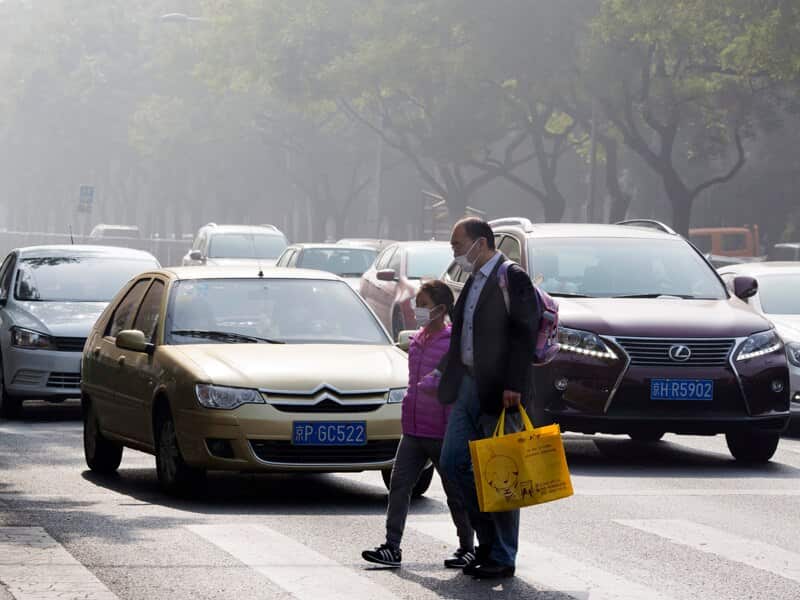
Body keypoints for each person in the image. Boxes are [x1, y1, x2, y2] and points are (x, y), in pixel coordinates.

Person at [439, 217, 541, 580]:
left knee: (502, 473)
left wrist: (514, 383)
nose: (455, 253)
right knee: (453, 464)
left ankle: (502, 555)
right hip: (467, 385)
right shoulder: (473, 280)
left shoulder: (511, 277)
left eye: (457, 245)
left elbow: (524, 333)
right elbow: (463, 333)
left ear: (480, 243)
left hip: (501, 390)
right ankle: (486, 542)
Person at [362, 281, 475, 569]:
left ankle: (467, 547)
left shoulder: (453, 344)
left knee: (455, 493)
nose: (418, 309)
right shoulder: (418, 340)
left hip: (441, 431)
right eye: (418, 303)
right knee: (399, 487)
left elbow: (459, 385)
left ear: (440, 308)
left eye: (423, 304)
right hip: (412, 429)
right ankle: (391, 547)